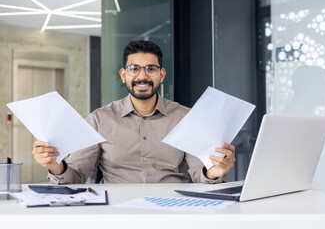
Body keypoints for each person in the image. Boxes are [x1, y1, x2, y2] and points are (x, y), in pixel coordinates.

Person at [32, 40, 235, 184]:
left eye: (151, 69)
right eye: (134, 69)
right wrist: (55, 166)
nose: (142, 76)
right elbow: (75, 176)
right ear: (123, 75)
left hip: (171, 212)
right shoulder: (99, 119)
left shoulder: (185, 118)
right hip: (116, 213)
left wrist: (214, 171)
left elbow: (202, 173)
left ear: (161, 74)